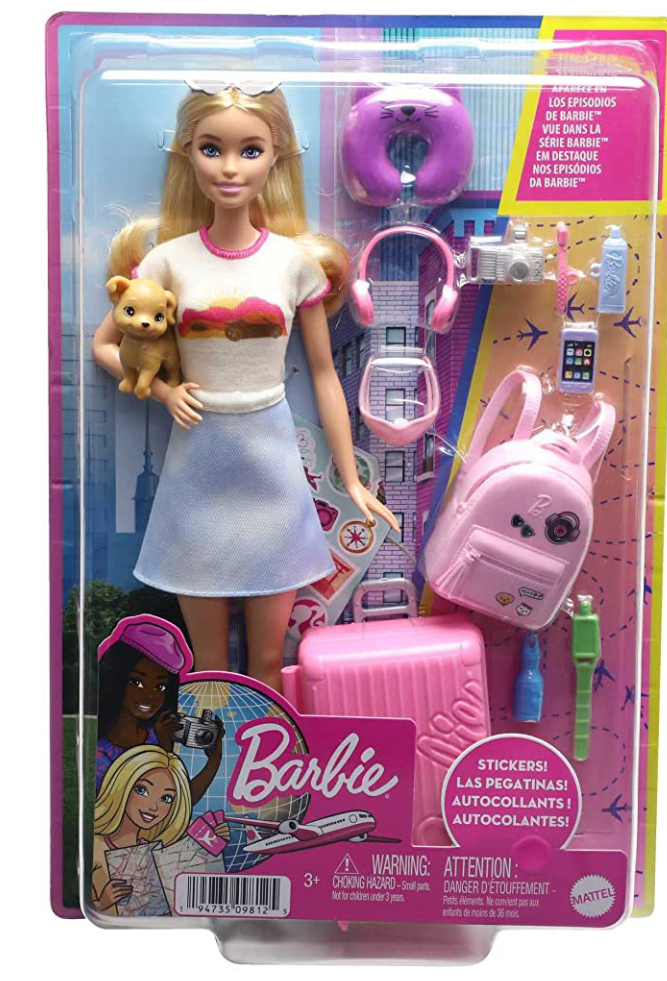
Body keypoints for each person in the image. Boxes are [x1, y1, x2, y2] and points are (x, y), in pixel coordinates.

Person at [93, 81, 398, 690]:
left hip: (271, 465)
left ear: (275, 154)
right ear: (188, 152)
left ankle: (270, 752)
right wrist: (165, 392)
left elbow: (322, 372)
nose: (230, 168)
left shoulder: (292, 263)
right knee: (207, 662)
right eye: (212, 149)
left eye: (250, 150)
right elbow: (106, 346)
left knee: (266, 661)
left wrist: (352, 480)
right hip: (198, 461)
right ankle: (211, 753)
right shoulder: (168, 261)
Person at [96, 619, 223, 804]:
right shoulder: (101, 754)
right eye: (136, 682)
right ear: (117, 680)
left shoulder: (158, 735)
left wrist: (214, 760)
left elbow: (180, 805)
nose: (150, 695)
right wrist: (164, 751)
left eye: (160, 687)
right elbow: (145, 807)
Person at [92, 745, 229, 915]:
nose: (153, 807)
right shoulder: (95, 844)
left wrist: (213, 841)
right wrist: (101, 903)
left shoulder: (160, 848)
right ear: (122, 786)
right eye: (141, 790)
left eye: (166, 798)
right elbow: (76, 900)